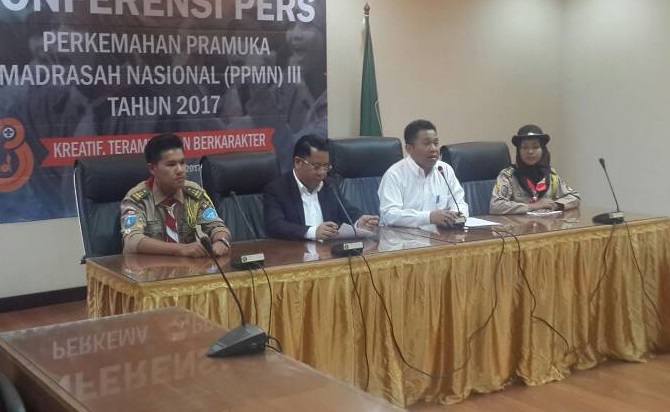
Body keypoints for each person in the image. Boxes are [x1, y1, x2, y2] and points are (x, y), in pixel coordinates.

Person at [120, 134, 232, 257]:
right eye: (171, 164)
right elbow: (132, 241)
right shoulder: (137, 199)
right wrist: (180, 249)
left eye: (182, 163)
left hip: (189, 267)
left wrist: (221, 241)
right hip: (151, 267)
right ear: (152, 169)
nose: (180, 170)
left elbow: (216, 226)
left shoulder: (194, 193)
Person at [263, 134, 379, 240]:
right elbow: (276, 226)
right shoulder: (277, 189)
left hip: (328, 251)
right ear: (298, 162)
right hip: (294, 252)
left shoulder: (330, 185)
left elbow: (348, 212)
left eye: (325, 167)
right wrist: (313, 232)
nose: (322, 173)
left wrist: (359, 223)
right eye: (316, 167)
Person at [378, 119, 469, 228]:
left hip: (440, 235)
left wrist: (454, 216)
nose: (433, 149)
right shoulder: (395, 174)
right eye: (426, 144)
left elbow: (460, 203)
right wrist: (429, 217)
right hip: (404, 237)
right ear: (409, 149)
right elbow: (389, 215)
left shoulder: (444, 170)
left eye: (436, 143)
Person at [490, 124, 580, 214]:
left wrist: (556, 205)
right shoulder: (508, 175)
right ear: (519, 151)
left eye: (535, 147)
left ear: (543, 149)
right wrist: (533, 206)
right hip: (518, 222)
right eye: (524, 147)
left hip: (548, 222)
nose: (530, 151)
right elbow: (496, 206)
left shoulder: (550, 175)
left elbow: (575, 197)